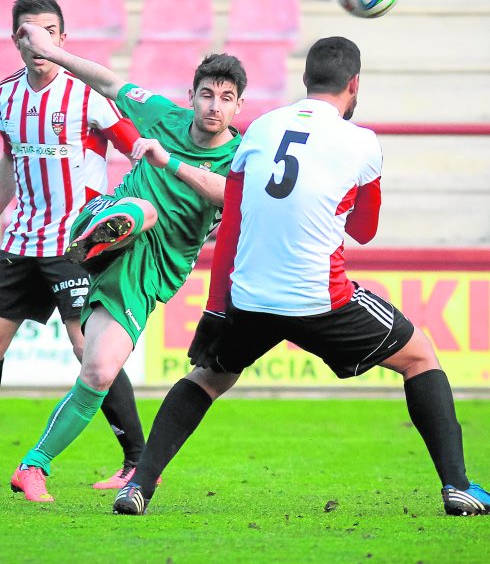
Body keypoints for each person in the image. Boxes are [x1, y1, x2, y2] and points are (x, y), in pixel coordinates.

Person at [111, 36, 490, 518]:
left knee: (207, 377)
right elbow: (365, 232)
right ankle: (457, 487)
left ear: (305, 80)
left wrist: (214, 309)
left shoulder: (263, 128)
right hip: (320, 300)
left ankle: (139, 485)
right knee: (421, 358)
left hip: (251, 297)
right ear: (354, 85)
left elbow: (233, 217)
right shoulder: (361, 142)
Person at [10, 20, 247, 504]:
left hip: (151, 273)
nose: (213, 106)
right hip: (115, 225)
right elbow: (110, 82)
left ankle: (33, 466)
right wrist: (52, 53)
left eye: (225, 98)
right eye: (206, 95)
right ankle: (94, 237)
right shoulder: (164, 116)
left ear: (239, 105)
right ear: (192, 96)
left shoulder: (242, 156)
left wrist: (168, 164)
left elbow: (233, 197)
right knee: (143, 208)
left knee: (97, 371)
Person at [0, 0, 152, 500]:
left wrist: (126, 216)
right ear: (17, 39)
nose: (38, 40)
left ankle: (135, 461)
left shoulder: (87, 96)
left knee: (89, 350)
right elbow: (7, 171)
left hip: (73, 243)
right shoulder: (4, 97)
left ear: (62, 40)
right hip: (20, 240)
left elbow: (139, 151)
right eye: (27, 31)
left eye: (48, 31)